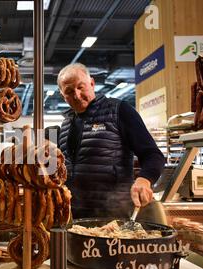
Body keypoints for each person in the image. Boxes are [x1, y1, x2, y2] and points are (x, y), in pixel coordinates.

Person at [57, 63, 165, 219]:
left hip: (113, 214)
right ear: (62, 95)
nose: (77, 95)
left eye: (81, 87)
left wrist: (145, 179)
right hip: (73, 215)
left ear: (92, 83)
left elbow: (152, 154)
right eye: (69, 91)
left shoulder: (119, 110)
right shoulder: (66, 123)